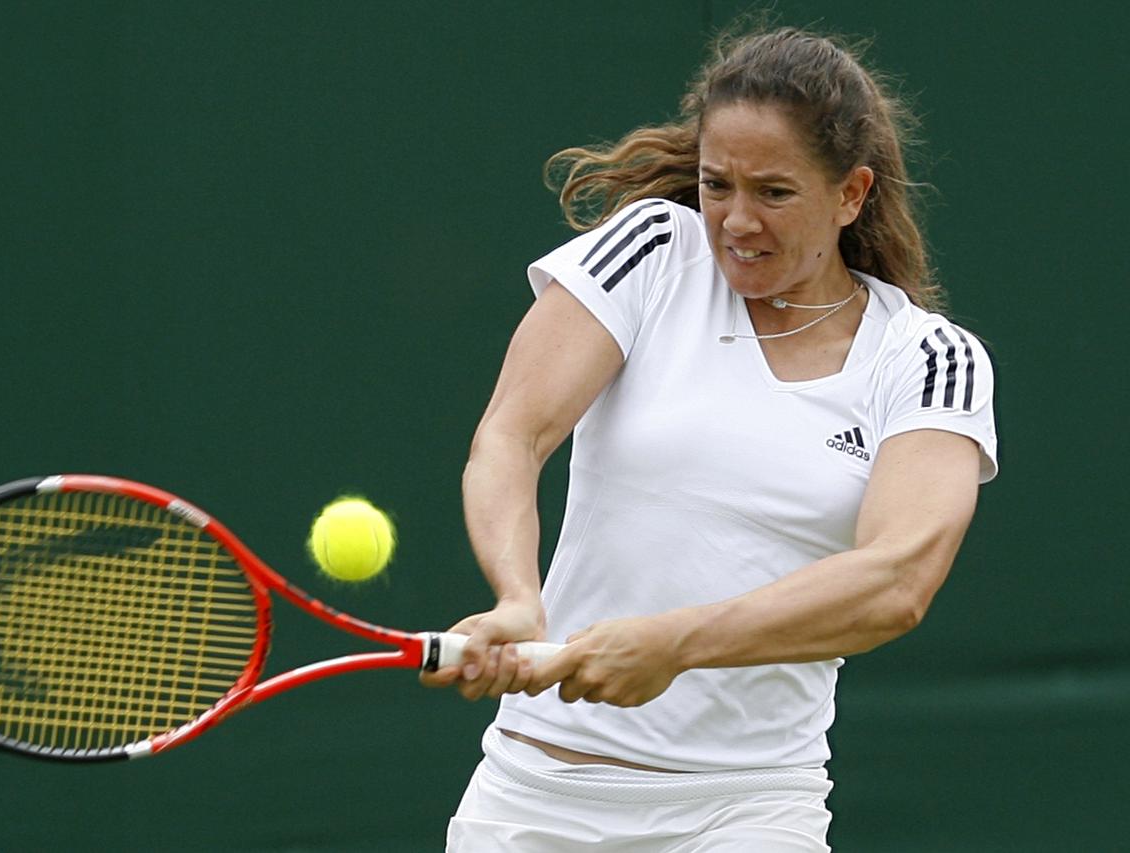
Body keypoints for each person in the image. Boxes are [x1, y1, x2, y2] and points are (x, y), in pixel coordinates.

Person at [424, 24, 998, 852]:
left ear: (851, 193)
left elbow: (897, 579)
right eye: (716, 184)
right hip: (536, 795)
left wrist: (675, 643)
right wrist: (519, 594)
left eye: (773, 192)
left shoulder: (930, 361)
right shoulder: (655, 251)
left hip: (748, 811)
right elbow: (513, 433)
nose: (735, 221)